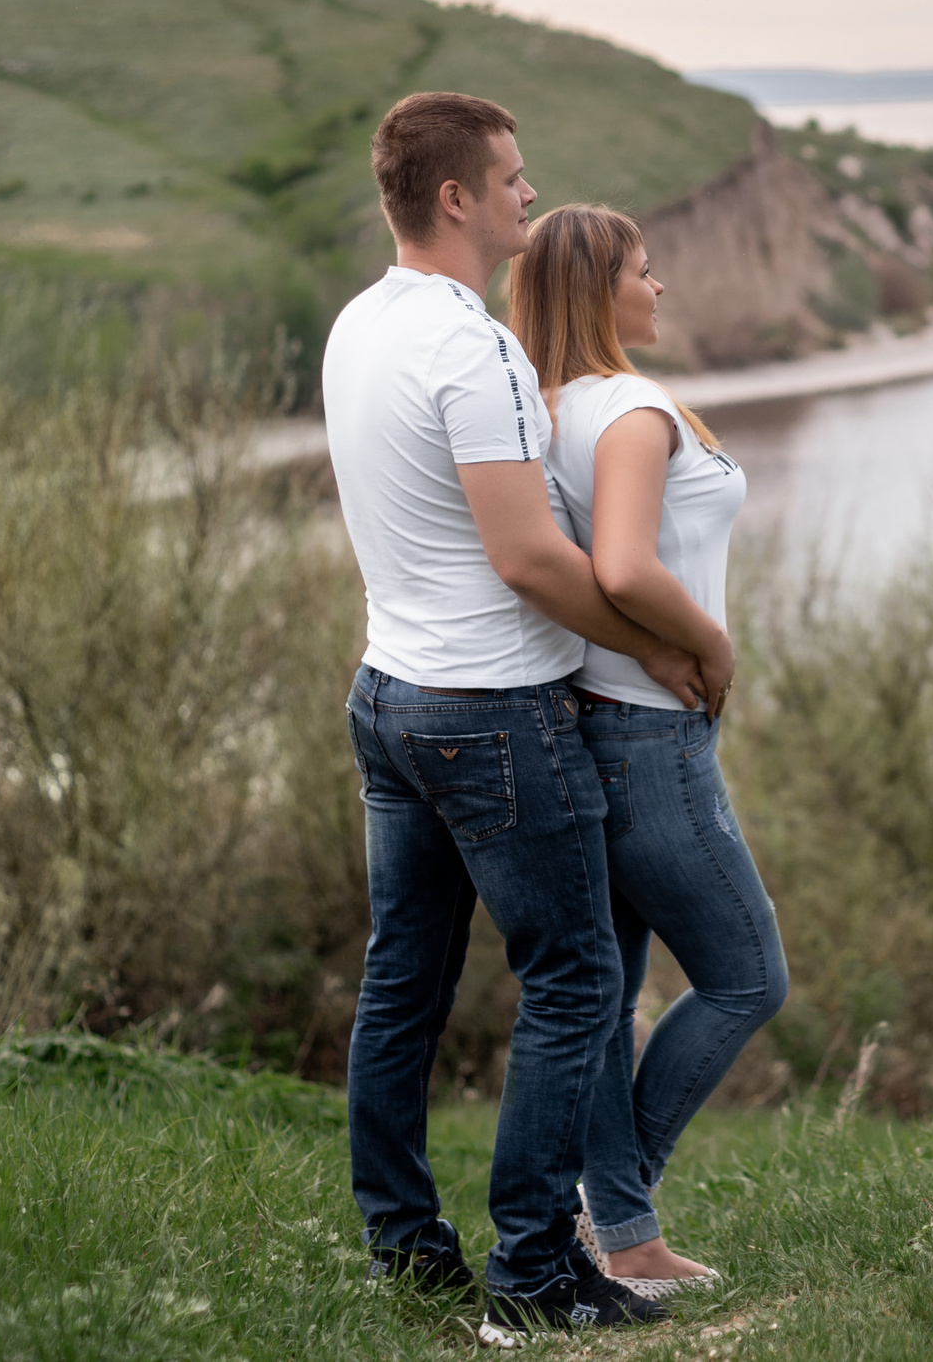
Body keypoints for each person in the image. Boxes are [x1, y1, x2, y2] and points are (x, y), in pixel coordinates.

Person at [323, 94, 715, 1341]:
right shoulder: (471, 345)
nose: (529, 196)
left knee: (403, 985)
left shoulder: (358, 325)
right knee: (576, 980)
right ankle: (537, 1276)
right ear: (456, 198)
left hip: (387, 694)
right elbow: (529, 558)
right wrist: (658, 644)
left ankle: (404, 1252)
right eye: (511, 178)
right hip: (489, 709)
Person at [507, 204, 789, 1297]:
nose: (657, 286)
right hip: (647, 735)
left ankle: (622, 1238)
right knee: (745, 976)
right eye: (642, 269)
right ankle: (611, 1215)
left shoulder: (540, 410)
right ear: (599, 290)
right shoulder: (627, 409)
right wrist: (711, 644)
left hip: (588, 718)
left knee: (605, 1000)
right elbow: (623, 568)